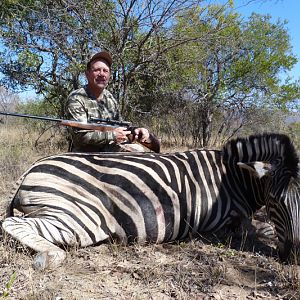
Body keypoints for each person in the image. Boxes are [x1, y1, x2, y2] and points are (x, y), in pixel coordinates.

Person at [65, 51, 160, 153]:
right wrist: (112, 135)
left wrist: (137, 130)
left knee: (138, 150)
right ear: (87, 74)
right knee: (136, 150)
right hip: (85, 155)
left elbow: (119, 126)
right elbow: (80, 138)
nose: (101, 74)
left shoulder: (109, 97)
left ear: (109, 75)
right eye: (97, 70)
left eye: (105, 71)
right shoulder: (76, 98)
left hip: (109, 149)